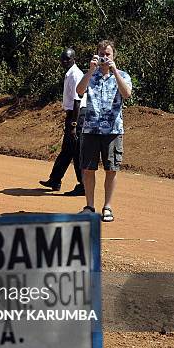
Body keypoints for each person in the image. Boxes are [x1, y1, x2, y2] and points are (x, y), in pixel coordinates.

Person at [76, 40, 132, 221]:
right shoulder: (90, 75)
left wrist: (114, 71)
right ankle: (89, 206)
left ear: (114, 55)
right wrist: (91, 70)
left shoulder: (122, 75)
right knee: (88, 169)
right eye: (102, 53)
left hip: (113, 131)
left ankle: (107, 207)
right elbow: (79, 90)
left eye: (108, 54)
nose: (105, 57)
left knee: (111, 169)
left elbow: (127, 94)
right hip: (91, 129)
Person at [39, 48, 87, 196]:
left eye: (67, 58)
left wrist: (73, 124)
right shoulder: (70, 73)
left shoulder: (75, 75)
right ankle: (55, 179)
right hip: (72, 115)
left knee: (77, 151)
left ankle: (83, 185)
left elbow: (77, 101)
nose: (64, 61)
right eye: (62, 59)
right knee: (67, 150)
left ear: (74, 59)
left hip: (77, 116)